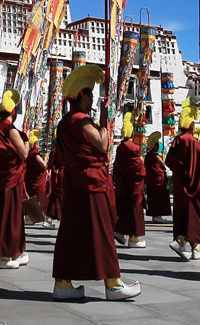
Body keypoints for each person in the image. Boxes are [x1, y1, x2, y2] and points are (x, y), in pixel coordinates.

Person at [51, 64, 140, 301]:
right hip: (90, 183)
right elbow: (102, 144)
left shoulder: (65, 122)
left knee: (72, 232)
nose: (92, 98)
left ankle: (63, 283)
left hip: (76, 182)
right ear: (81, 95)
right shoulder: (81, 120)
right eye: (89, 94)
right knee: (101, 231)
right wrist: (104, 122)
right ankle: (113, 284)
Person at [0, 89, 29, 269]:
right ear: (13, 113)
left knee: (4, 216)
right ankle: (4, 256)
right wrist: (26, 141)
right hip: (12, 179)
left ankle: (14, 251)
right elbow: (24, 154)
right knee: (12, 217)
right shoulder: (10, 130)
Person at [166, 102, 200, 261]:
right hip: (196, 187)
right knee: (198, 217)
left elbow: (169, 162)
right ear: (191, 124)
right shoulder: (192, 142)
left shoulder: (177, 141)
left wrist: (181, 176)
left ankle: (181, 240)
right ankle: (196, 247)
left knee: (184, 215)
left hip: (181, 187)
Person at [112, 113, 146, 248]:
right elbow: (137, 167)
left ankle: (120, 231)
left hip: (123, 185)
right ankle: (133, 238)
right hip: (133, 186)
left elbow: (118, 166)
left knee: (124, 209)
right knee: (134, 211)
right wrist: (141, 162)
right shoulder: (133, 147)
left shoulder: (121, 147)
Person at [24, 129, 54, 229]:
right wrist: (46, 158)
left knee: (32, 197)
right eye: (37, 143)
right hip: (38, 181)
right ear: (33, 144)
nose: (38, 145)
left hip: (31, 179)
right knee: (41, 198)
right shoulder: (35, 155)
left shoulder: (29, 154)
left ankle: (29, 217)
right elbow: (44, 165)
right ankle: (41, 217)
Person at [144, 132, 170, 223]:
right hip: (157, 180)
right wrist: (163, 156)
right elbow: (163, 163)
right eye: (158, 145)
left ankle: (157, 215)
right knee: (158, 197)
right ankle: (157, 216)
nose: (159, 147)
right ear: (155, 146)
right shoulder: (154, 155)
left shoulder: (149, 155)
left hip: (153, 180)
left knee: (155, 198)